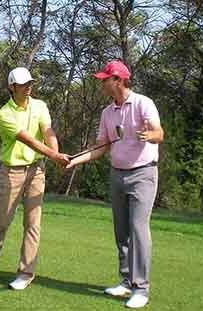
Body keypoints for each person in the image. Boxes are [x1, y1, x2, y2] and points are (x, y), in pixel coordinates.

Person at [65, 60, 164, 308]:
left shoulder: (143, 103)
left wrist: (148, 135)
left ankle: (141, 289)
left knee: (138, 229)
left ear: (118, 80)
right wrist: (75, 160)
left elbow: (159, 134)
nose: (101, 83)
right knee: (121, 232)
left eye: (105, 79)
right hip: (117, 175)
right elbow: (102, 147)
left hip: (143, 174)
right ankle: (126, 281)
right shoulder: (107, 113)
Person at [0, 67, 70, 290]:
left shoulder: (40, 105)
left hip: (36, 170)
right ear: (11, 87)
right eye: (24, 84)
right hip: (12, 171)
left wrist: (56, 156)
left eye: (30, 83)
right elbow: (27, 140)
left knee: (33, 223)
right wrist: (55, 156)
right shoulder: (4, 113)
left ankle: (25, 273)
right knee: (2, 221)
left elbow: (47, 132)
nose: (28, 87)